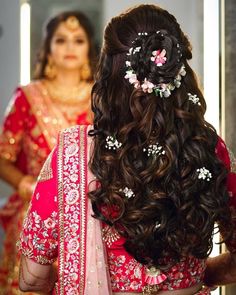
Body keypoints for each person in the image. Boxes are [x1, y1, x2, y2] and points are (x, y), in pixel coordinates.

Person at [17, 4, 236, 295]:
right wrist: (199, 275)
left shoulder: (74, 156)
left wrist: (80, 275)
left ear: (108, 72)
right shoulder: (209, 150)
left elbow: (31, 278)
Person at [0, 10, 97, 294]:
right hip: (35, 205)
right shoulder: (27, 97)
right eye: (61, 40)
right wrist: (24, 184)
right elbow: (3, 157)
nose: (69, 47)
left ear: (89, 47)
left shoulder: (101, 98)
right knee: (29, 232)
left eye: (78, 40)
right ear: (48, 49)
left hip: (93, 206)